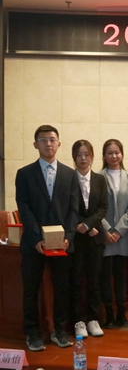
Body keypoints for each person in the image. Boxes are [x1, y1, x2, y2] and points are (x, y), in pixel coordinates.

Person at [16, 125, 79, 351]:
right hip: (33, 244)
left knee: (62, 288)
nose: (48, 144)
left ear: (59, 144)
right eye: (43, 140)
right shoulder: (24, 174)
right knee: (31, 289)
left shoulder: (70, 174)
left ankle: (60, 331)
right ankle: (32, 333)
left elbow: (74, 209)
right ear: (35, 144)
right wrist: (36, 238)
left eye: (52, 139)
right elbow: (24, 208)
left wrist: (68, 237)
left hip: (62, 244)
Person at [69, 140, 109, 339]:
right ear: (74, 157)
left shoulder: (100, 179)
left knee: (94, 280)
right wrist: (82, 226)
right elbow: (67, 207)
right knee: (76, 280)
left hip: (94, 238)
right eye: (79, 155)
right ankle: (78, 321)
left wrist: (89, 225)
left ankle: (93, 319)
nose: (83, 158)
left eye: (87, 154)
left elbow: (103, 207)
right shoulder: (68, 178)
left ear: (92, 156)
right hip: (75, 238)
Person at [99, 139, 128, 329]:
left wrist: (119, 230)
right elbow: (96, 207)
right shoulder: (97, 177)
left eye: (117, 152)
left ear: (122, 154)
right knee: (105, 276)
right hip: (104, 236)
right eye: (110, 153)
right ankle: (109, 314)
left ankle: (122, 313)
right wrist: (107, 229)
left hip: (123, 236)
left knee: (120, 276)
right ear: (104, 156)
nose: (114, 156)